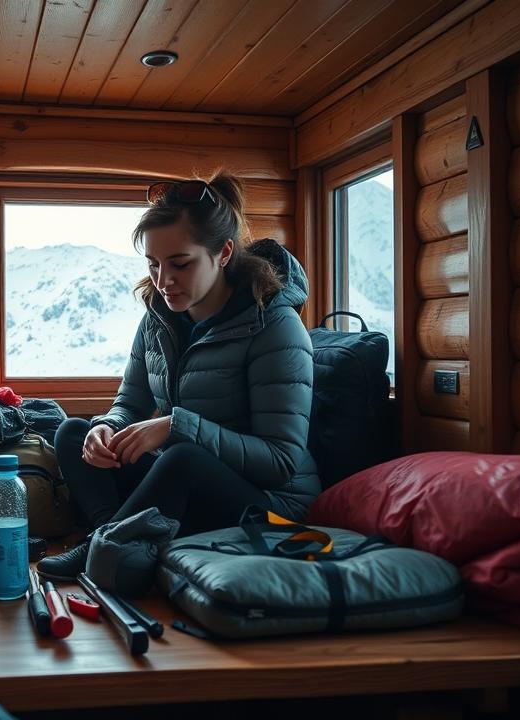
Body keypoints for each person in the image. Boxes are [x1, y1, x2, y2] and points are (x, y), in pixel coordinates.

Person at [37, 172, 321, 581]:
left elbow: (280, 462)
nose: (163, 280)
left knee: (182, 458)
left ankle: (103, 545)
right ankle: (108, 539)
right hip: (184, 477)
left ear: (223, 253)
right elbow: (129, 403)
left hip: (270, 504)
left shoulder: (274, 326)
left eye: (180, 264)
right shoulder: (157, 317)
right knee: (73, 432)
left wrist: (177, 427)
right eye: (153, 264)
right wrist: (107, 429)